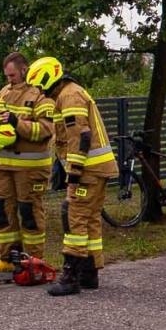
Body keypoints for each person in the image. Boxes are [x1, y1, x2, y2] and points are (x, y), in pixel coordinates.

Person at [25, 55, 118, 296]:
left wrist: (74, 174)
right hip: (97, 169)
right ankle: (89, 273)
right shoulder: (70, 93)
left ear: (46, 78)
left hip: (87, 170)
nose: (38, 90)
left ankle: (70, 277)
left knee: (74, 216)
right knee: (90, 219)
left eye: (38, 85)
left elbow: (80, 137)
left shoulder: (69, 96)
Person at [0, 51, 56, 272]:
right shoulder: (3, 93)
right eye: (7, 76)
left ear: (24, 70)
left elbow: (45, 130)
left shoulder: (40, 95)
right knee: (0, 209)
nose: (9, 80)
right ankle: (7, 259)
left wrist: (17, 123)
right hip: (3, 164)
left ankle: (33, 262)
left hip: (31, 168)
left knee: (29, 212)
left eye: (12, 75)